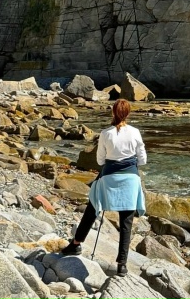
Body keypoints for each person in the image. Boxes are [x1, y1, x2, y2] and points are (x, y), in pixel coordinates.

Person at [60, 98, 147, 276]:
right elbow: (143, 160)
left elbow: (100, 160)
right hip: (130, 179)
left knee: (92, 207)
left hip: (109, 178)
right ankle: (122, 264)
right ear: (128, 113)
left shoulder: (106, 133)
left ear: (113, 113)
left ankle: (75, 244)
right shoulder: (135, 132)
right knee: (126, 223)